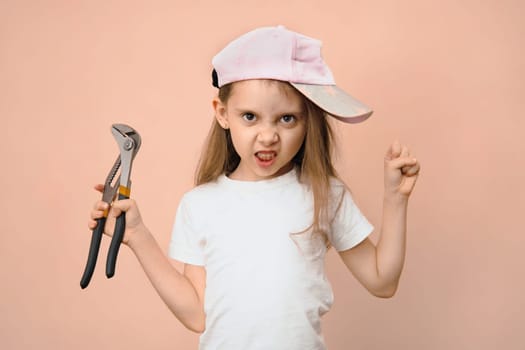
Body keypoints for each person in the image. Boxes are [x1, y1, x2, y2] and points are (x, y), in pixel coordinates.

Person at [88, 25, 421, 349]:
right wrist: (136, 236)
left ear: (309, 120)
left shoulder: (325, 193)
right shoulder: (200, 204)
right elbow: (196, 316)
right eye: (250, 116)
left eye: (287, 118)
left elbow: (382, 281)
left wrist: (395, 199)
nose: (268, 136)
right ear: (222, 113)